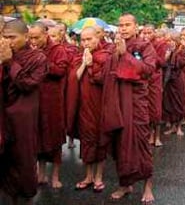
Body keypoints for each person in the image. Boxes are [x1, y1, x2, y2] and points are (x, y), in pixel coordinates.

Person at [100, 14, 155, 203]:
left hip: (136, 102)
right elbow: (106, 74)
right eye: (120, 25)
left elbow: (148, 71)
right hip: (118, 103)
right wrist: (116, 55)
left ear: (135, 26)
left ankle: (148, 187)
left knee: (140, 143)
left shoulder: (144, 46)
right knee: (120, 144)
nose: (123, 28)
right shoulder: (113, 47)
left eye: (127, 25)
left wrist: (126, 55)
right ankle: (125, 185)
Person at [0, 20, 48, 205]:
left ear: (26, 37)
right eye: (4, 37)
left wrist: (9, 62)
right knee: (5, 163)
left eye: (12, 37)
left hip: (23, 118)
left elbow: (27, 84)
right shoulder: (4, 55)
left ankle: (26, 197)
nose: (7, 41)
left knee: (24, 160)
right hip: (4, 118)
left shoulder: (37, 58)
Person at [66, 27, 112, 193]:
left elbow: (104, 79)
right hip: (84, 106)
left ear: (97, 38)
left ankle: (98, 177)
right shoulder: (79, 56)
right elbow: (73, 78)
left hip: (100, 105)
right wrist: (85, 64)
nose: (85, 43)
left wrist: (93, 64)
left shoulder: (105, 55)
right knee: (87, 141)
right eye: (83, 40)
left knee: (100, 141)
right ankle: (88, 176)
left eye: (89, 39)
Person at [29, 23, 69, 189]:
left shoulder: (58, 50)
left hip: (52, 101)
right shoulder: (31, 50)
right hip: (36, 99)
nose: (33, 41)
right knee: (38, 138)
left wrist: (42, 59)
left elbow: (61, 71)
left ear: (45, 35)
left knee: (54, 138)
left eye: (36, 37)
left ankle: (55, 176)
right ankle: (41, 174)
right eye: (30, 37)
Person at [142, 25, 168, 147]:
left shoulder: (160, 45)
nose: (147, 35)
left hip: (155, 78)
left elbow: (162, 62)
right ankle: (148, 135)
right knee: (144, 109)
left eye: (149, 32)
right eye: (145, 33)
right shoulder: (140, 44)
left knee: (156, 109)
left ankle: (157, 136)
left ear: (154, 33)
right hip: (143, 79)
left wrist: (150, 51)